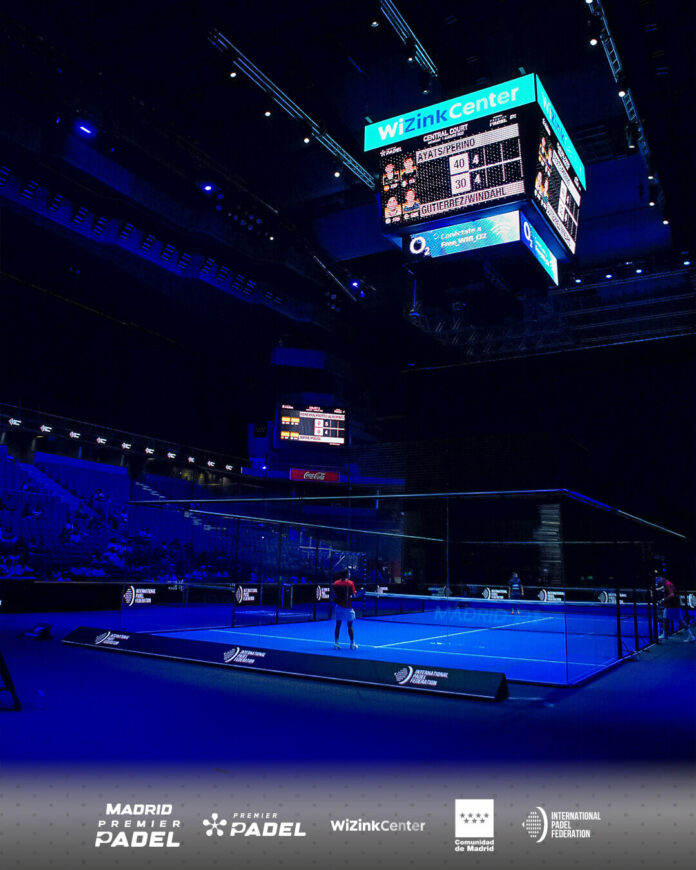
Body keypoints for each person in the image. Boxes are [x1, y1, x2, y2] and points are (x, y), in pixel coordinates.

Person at [657, 575, 695, 642]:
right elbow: (667, 590)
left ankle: (664, 634)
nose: (658, 580)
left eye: (659, 578)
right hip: (676, 604)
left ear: (663, 578)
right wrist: (658, 589)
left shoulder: (667, 584)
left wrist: (663, 600)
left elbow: (671, 595)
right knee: (680, 620)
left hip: (671, 605)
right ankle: (691, 636)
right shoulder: (668, 583)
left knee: (665, 618)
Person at [332, 568, 358, 650]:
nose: (350, 574)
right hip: (347, 607)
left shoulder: (335, 583)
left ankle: (336, 643)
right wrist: (355, 594)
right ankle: (352, 644)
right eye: (349, 573)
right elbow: (353, 596)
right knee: (350, 626)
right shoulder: (350, 583)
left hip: (338, 606)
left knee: (338, 625)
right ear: (347, 575)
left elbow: (334, 595)